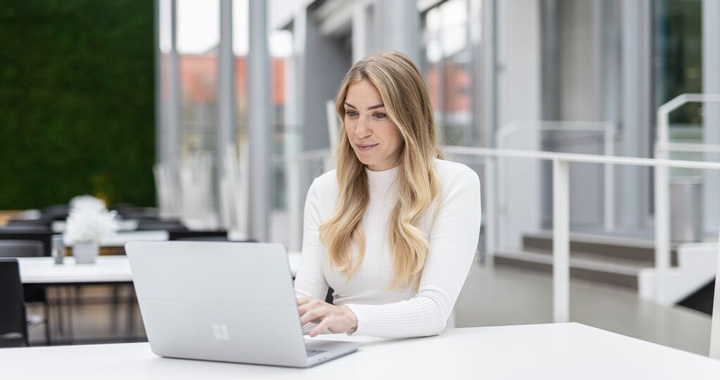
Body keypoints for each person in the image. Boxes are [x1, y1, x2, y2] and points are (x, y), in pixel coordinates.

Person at [294, 51, 481, 339]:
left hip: (420, 359)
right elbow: (305, 309)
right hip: (342, 358)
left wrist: (349, 317)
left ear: (409, 118)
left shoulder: (456, 184)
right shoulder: (325, 189)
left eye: (379, 115)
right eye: (352, 113)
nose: (360, 130)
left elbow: (433, 311)